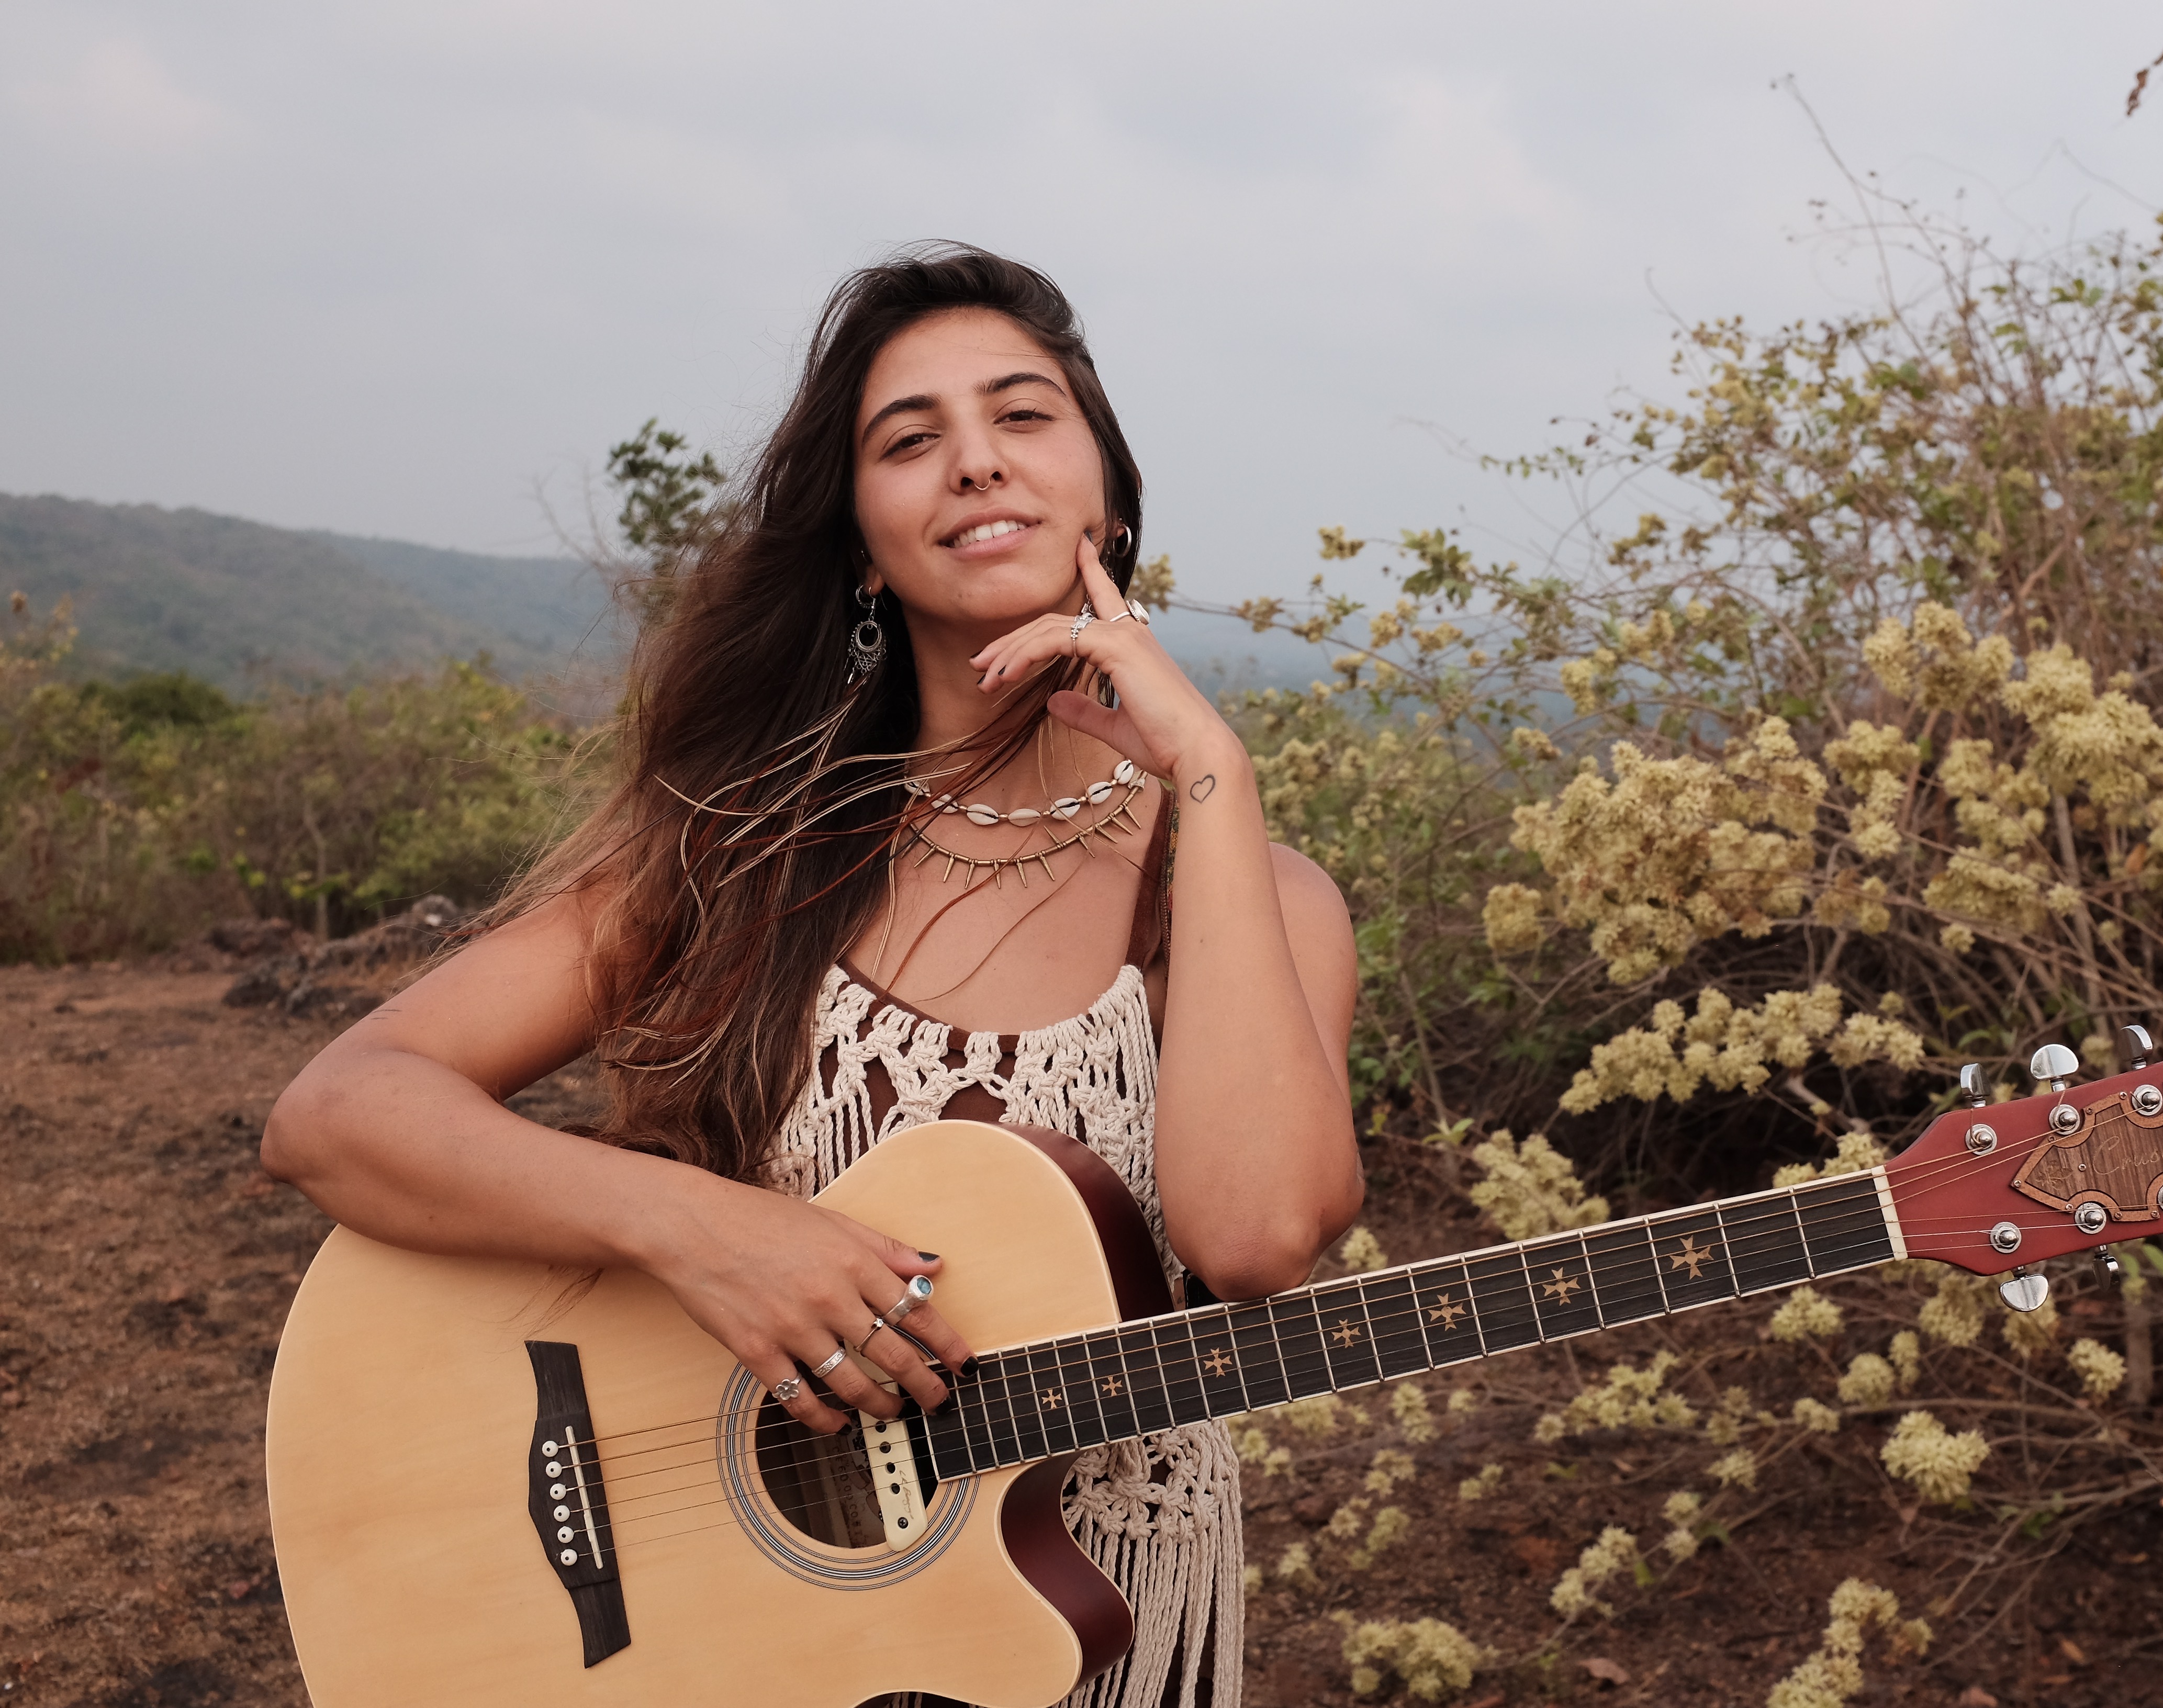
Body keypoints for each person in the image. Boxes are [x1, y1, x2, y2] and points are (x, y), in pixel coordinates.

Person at [261, 243, 1364, 1708]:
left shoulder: (1255, 893)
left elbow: (1258, 1242)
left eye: (1023, 416)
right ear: (862, 547)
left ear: (1108, 495)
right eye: (910, 440)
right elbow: (337, 1113)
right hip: (760, 1628)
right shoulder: (747, 850)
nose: (975, 462)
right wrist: (703, 1232)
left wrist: (1211, 776)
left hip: (1104, 1623)